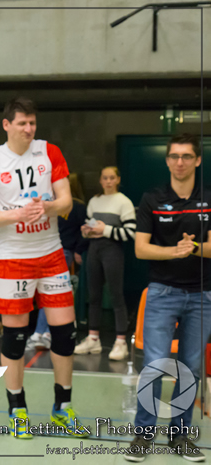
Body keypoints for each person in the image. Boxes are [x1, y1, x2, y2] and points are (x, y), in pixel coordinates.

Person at [0, 97, 84, 439]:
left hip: (50, 253)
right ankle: (16, 407)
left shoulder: (49, 152)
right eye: (22, 123)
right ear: (6, 125)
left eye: (32, 122)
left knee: (65, 332)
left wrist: (47, 208)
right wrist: (16, 214)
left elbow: (66, 201)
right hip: (13, 258)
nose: (28, 128)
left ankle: (62, 407)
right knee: (15, 336)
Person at [124, 133, 210, 462]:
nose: (180, 162)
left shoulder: (209, 198)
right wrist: (175, 251)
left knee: (190, 368)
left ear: (197, 160)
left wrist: (195, 248)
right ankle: (143, 435)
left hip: (202, 295)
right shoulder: (152, 199)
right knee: (154, 365)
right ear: (167, 160)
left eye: (187, 156)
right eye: (174, 156)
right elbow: (141, 248)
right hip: (162, 293)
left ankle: (179, 436)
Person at [75, 166, 136, 361]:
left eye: (112, 178)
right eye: (105, 178)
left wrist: (106, 230)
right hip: (94, 250)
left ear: (118, 180)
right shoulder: (94, 201)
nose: (108, 181)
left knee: (116, 295)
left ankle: (120, 342)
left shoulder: (124, 202)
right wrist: (87, 231)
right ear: (100, 180)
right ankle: (93, 338)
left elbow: (131, 232)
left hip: (112, 251)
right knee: (93, 296)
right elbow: (89, 225)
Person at [27, 173, 88, 351]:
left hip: (63, 252)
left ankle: (43, 332)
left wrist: (78, 250)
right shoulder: (49, 204)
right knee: (47, 292)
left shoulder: (76, 207)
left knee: (51, 291)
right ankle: (43, 332)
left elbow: (84, 230)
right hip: (47, 251)